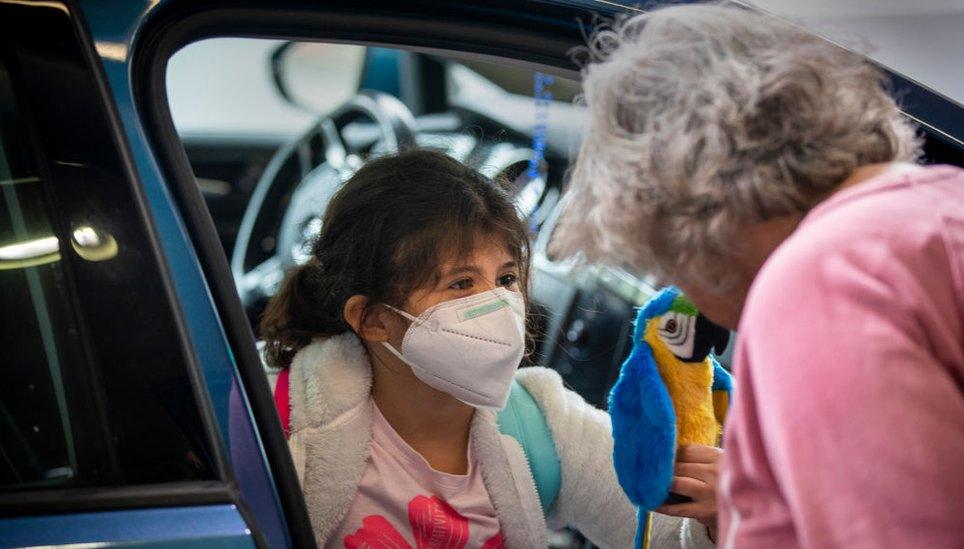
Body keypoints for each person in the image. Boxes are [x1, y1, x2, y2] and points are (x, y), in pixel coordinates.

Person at [551, 2, 964, 547]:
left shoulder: (819, 284)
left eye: (666, 261)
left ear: (689, 210)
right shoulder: (947, 201)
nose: (689, 295)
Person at [260, 149, 716, 548]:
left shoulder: (541, 424)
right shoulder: (276, 417)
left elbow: (666, 538)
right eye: (461, 284)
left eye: (505, 279)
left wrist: (718, 514)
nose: (497, 304)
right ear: (373, 319)